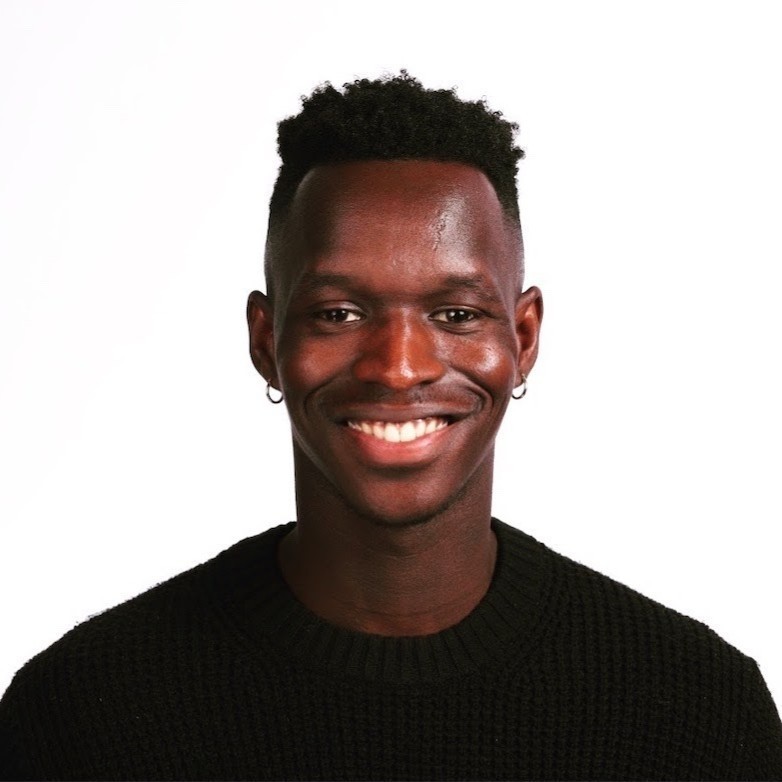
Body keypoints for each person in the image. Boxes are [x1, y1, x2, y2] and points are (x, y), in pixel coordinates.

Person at [1, 72, 781, 781]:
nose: (399, 367)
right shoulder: (84, 715)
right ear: (267, 342)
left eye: (456, 314)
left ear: (524, 337)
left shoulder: (698, 714)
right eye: (339, 313)